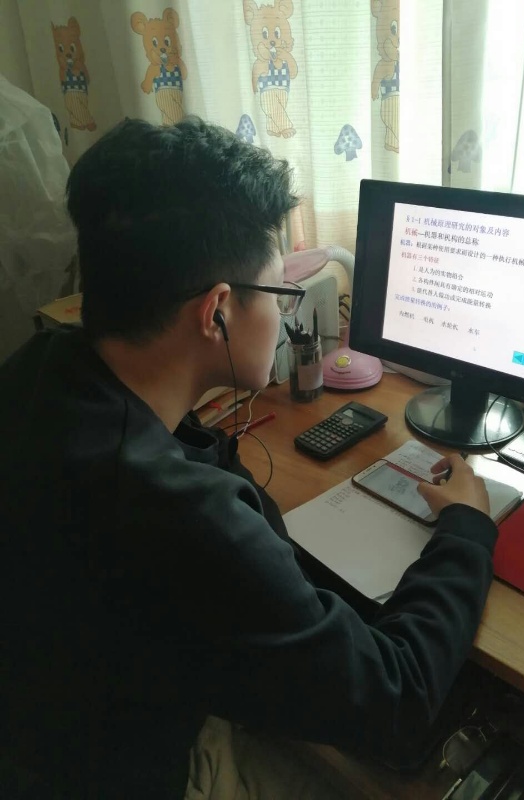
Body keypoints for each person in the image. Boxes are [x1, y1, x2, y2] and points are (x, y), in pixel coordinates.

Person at [1, 116, 496, 800]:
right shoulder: (178, 514)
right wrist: (468, 529)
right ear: (217, 313)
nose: (289, 318)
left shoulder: (43, 364)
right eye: (281, 294)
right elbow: (397, 697)